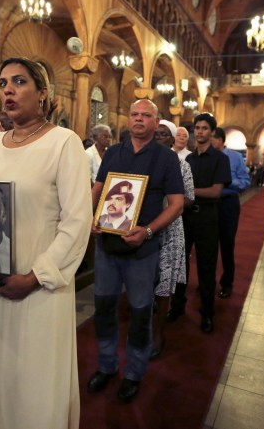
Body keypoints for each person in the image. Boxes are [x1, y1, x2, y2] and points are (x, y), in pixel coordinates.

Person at [0, 58, 92, 429]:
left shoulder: (63, 142)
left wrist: (35, 276)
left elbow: (77, 222)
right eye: (3, 82)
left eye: (19, 81)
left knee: (35, 383)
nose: (7, 89)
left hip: (39, 288)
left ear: (42, 93)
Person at [88, 99, 184, 402]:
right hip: (107, 246)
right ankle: (106, 364)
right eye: (135, 114)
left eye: (146, 115)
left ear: (156, 122)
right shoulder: (114, 152)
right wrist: (89, 216)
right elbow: (98, 188)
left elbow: (178, 203)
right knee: (104, 308)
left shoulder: (167, 158)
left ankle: (134, 373)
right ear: (128, 119)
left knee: (141, 312)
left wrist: (149, 230)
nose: (139, 119)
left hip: (143, 250)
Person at [168, 113, 231, 334]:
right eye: (198, 128)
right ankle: (177, 307)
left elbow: (216, 191)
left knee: (206, 267)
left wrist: (189, 193)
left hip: (207, 217)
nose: (201, 132)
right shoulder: (189, 160)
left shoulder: (220, 159)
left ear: (213, 132)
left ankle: (207, 313)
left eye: (205, 128)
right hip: (186, 217)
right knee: (180, 265)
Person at [150, 119, 194, 359]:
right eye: (155, 132)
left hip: (170, 229)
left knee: (163, 284)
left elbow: (189, 197)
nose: (158, 136)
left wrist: (168, 202)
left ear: (171, 139)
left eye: (163, 133)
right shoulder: (143, 159)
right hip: (145, 226)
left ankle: (158, 331)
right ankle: (143, 326)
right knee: (144, 281)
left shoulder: (181, 164)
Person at [211, 127, 250, 299]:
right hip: (209, 204)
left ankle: (227, 283)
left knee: (227, 246)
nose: (210, 141)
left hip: (228, 204)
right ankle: (207, 281)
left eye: (213, 137)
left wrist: (228, 182)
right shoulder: (206, 157)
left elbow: (245, 181)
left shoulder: (234, 157)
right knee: (208, 247)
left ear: (221, 140)